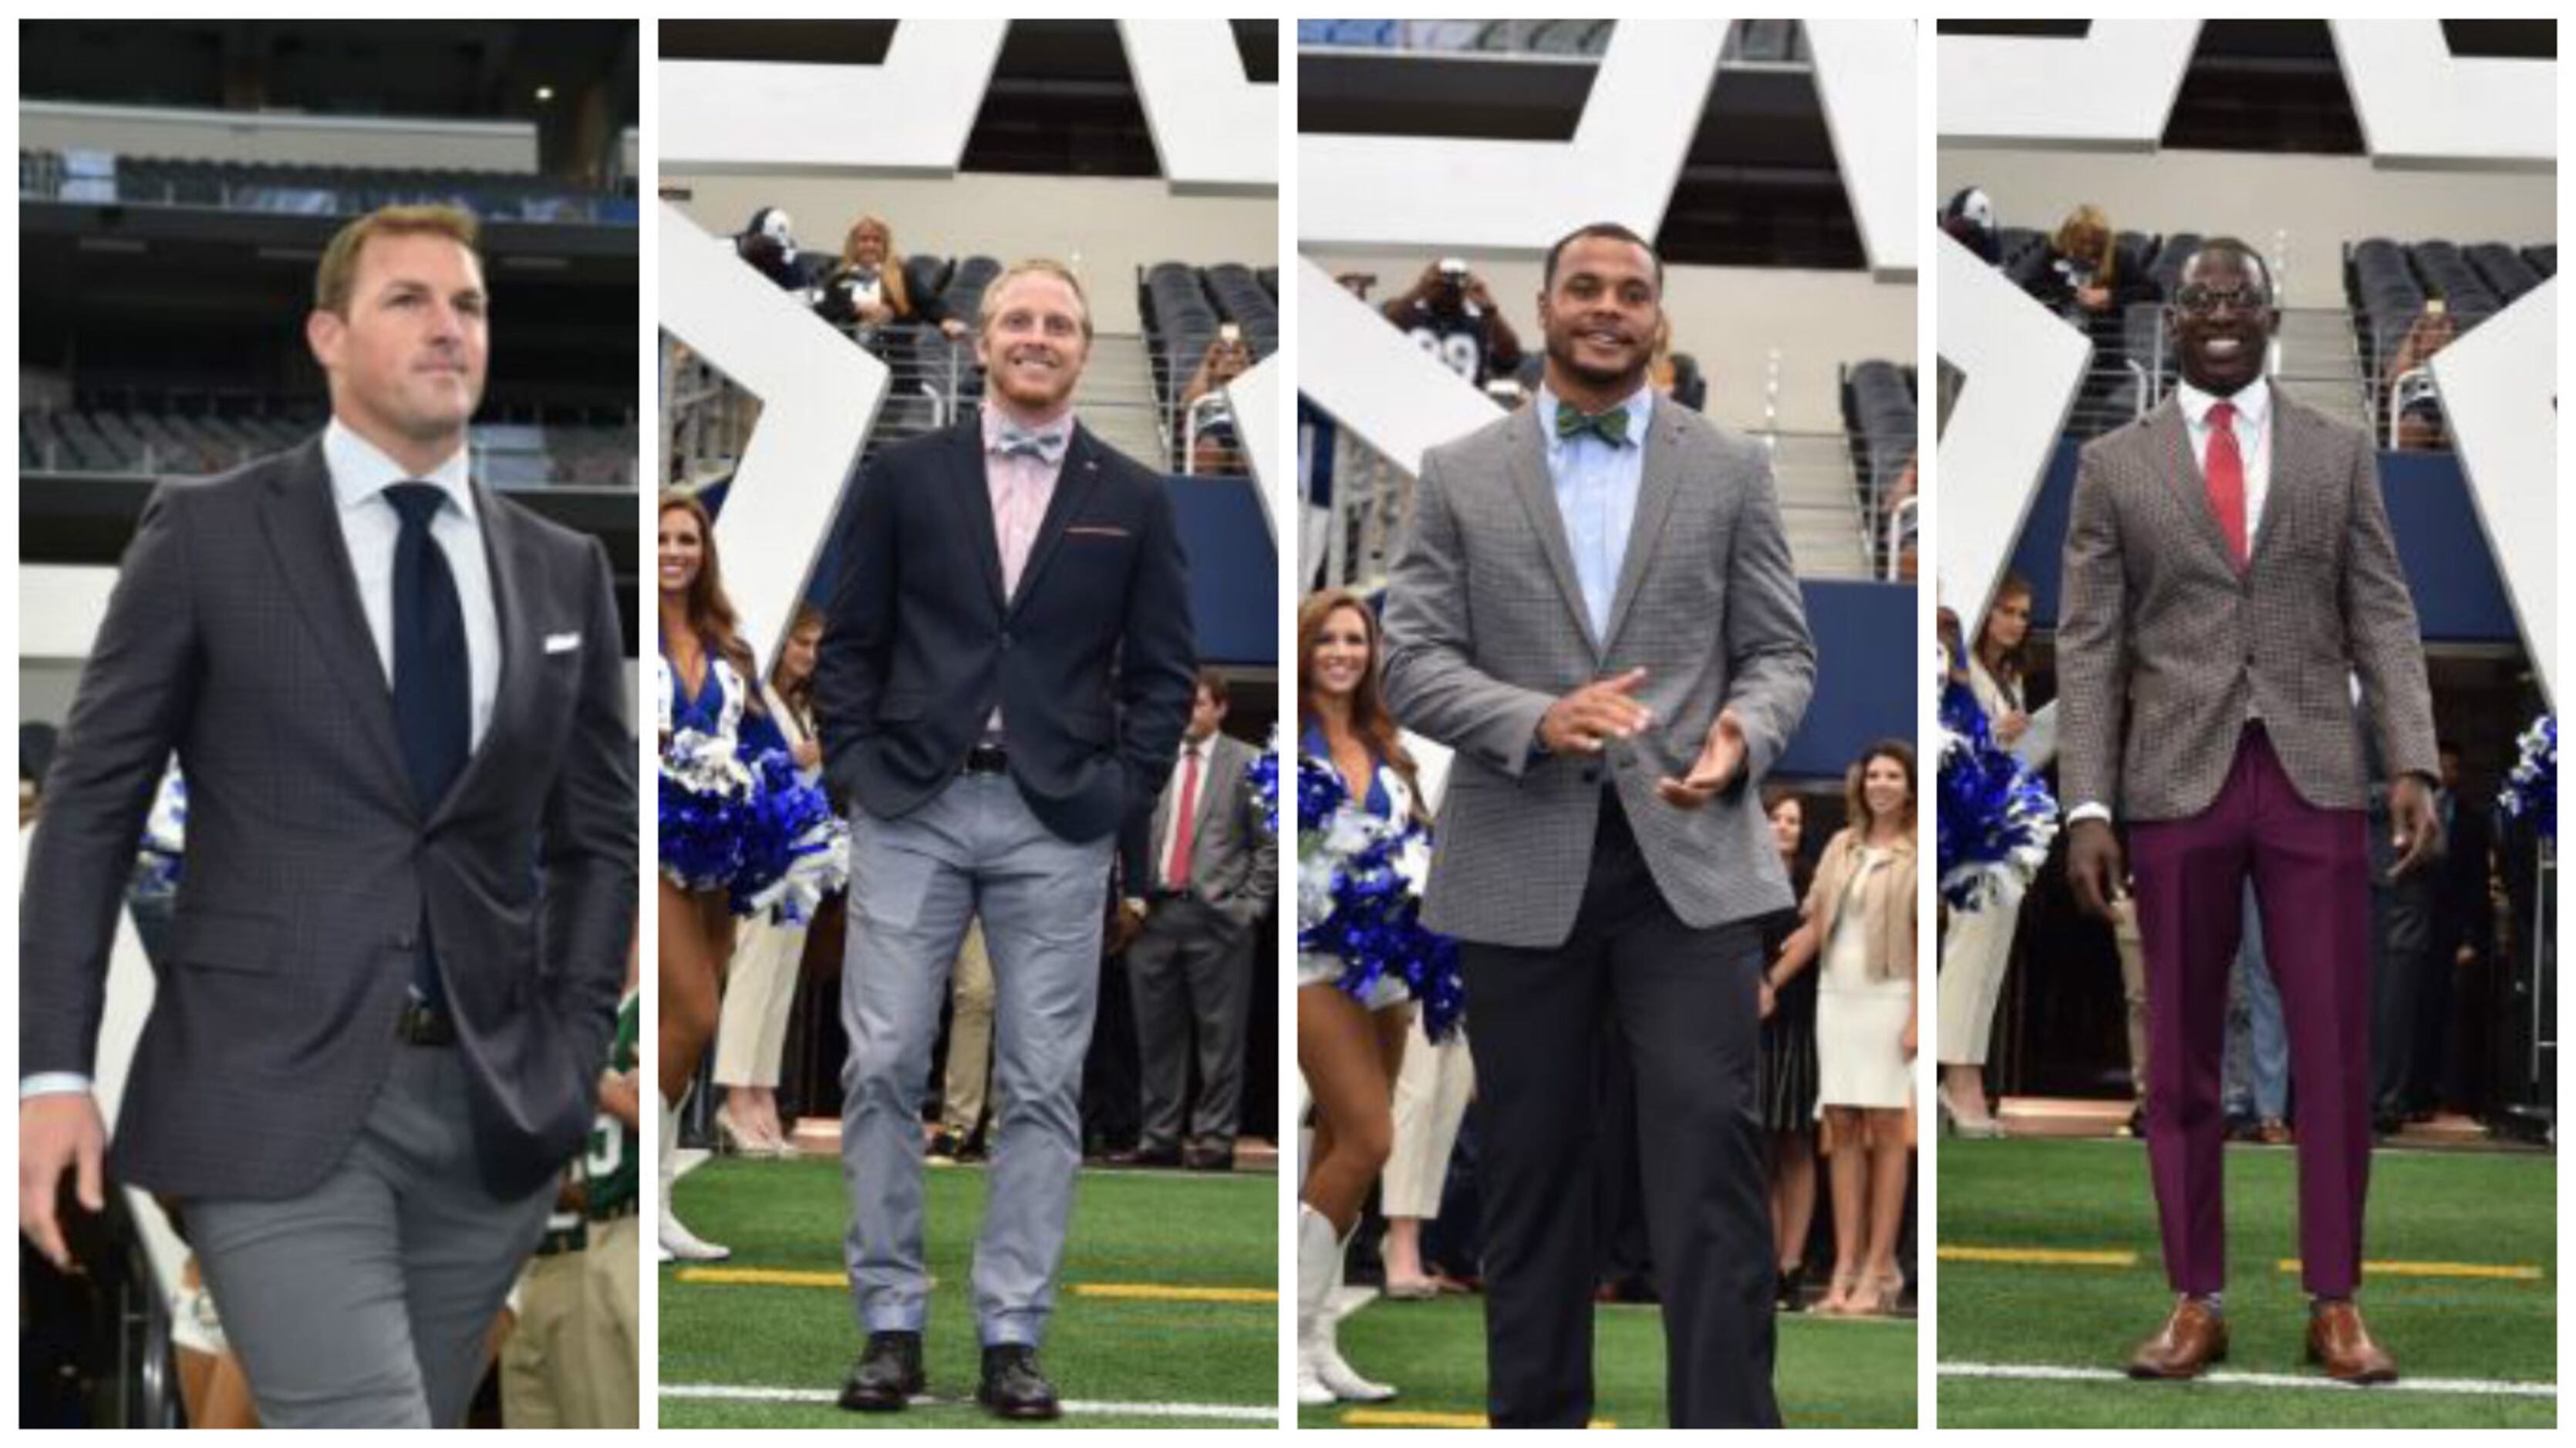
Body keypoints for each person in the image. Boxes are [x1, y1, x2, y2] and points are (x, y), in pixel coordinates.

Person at [18, 204, 634, 1427]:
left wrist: (568, 1053)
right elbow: (90, 811)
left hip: (494, 1119)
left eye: (469, 304)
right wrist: (50, 1070)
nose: (448, 327)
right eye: (408, 300)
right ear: (327, 335)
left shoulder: (562, 568)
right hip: (269, 1095)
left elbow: (598, 839)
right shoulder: (205, 535)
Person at [1381, 221, 1816, 1429]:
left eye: (1632, 292)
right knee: (1530, 1182)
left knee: (1709, 1179)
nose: (1608, 307)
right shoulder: (1461, 468)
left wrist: (1741, 739)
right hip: (1521, 863)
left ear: (1657, 316)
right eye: (1586, 287)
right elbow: (1411, 659)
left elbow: (1781, 650)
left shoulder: (1730, 467)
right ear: (1546, 304)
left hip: (1693, 866)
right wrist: (1532, 714)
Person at [818, 258, 1196, 1420]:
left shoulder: (1135, 496)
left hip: (1056, 820)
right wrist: (856, 769)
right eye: (1019, 319)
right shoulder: (904, 476)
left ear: (1087, 349)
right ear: (983, 340)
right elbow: (850, 644)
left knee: (1042, 1083)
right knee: (881, 1063)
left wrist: (1117, 793)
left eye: (1061, 323)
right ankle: (890, 1321)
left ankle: (1011, 1332)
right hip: (914, 804)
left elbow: (1164, 674)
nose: (1039, 336)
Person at [2059, 238, 2439, 1384]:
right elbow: (2087, 643)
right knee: (2177, 1057)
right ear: (2170, 324)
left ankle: (2336, 1300)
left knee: (2330, 1047)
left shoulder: (2336, 451)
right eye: (2200, 299)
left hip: (2318, 770)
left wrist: (2411, 756)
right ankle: (2197, 1297)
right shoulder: (2114, 464)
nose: (2220, 312)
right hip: (2176, 779)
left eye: (2241, 297)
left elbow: (2382, 606)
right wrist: (2087, 796)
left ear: (2274, 318)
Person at [657, 491, 842, 1263]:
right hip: (653, 838)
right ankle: (636, 1188)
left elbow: (761, 748)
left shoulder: (729, 645)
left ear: (706, 553)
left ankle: (657, 1198)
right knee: (694, 1013)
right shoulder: (624, 626)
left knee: (688, 1022)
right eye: (663, 538)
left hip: (719, 845)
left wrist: (772, 795)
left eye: (687, 540)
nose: (674, 551)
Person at [1294, 588, 1428, 1406]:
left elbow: (1417, 840)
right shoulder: (1291, 743)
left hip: (1389, 963)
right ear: (1305, 648)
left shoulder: (1387, 741)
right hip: (1314, 960)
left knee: (1341, 1146)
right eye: (1328, 639)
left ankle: (1318, 1342)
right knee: (1370, 1139)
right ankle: (1292, 1342)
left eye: (1356, 639)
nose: (1343, 652)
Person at [1766, 743, 1917, 1317]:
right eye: (1873, 774)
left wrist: (1917, 1018)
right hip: (1837, 998)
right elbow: (1817, 925)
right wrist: (1771, 982)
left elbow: (1924, 937)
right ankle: (1844, 1271)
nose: (1881, 784)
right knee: (1841, 1126)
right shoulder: (1840, 845)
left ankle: (1880, 1269)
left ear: (1907, 786)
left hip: (1892, 994)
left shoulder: (1917, 848)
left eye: (1893, 775)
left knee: (1886, 1127)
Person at [1120, 672, 1276, 1170]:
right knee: (1156, 1036)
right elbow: (1127, 827)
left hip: (1219, 916)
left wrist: (1249, 905)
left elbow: (1270, 842)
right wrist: (1130, 893)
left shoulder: (1250, 762)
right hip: (1155, 915)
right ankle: (1159, 1137)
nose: (1189, 712)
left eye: (1199, 704)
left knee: (1220, 1037)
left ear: (1221, 708)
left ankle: (1213, 1140)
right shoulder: (1153, 756)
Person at [713, 604, 830, 1157]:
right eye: (801, 643)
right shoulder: (757, 703)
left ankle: (762, 1092)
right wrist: (800, 757)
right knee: (754, 970)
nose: (808, 656)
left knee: (781, 977)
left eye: (815, 647)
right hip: (761, 852)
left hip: (801, 854)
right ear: (781, 643)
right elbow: (746, 766)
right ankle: (735, 1096)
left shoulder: (805, 708)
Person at [1937, 574, 2037, 1134]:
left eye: (2024, 614)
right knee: (1969, 953)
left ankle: (1965, 1076)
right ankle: (1958, 1081)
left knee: (1989, 958)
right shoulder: (1957, 668)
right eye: (2007, 611)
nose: (2016, 623)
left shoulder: (2010, 676)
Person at [1755, 789, 1821, 1310]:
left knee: (1794, 1144)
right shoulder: (1740, 878)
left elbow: (1813, 939)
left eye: (1793, 820)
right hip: (1745, 1024)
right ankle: (1761, 1262)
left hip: (1797, 1021)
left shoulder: (1813, 881)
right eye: (1775, 818)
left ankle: (1791, 1264)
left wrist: (1770, 983)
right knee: (1756, 1149)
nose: (1784, 827)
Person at [1383, 257, 1524, 386]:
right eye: (1443, 281)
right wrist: (1421, 289)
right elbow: (1381, 331)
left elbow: (1509, 359)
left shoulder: (1477, 323)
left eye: (1456, 281)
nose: (1449, 288)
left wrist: (1489, 309)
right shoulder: (1410, 315)